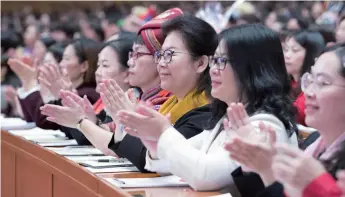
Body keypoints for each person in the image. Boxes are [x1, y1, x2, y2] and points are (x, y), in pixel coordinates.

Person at [117, 23, 298, 192]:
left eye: (222, 61)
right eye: (215, 60)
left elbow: (204, 176)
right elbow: (178, 162)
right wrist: (156, 142)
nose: (212, 70)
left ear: (252, 68)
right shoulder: (227, 117)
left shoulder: (266, 126)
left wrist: (164, 132)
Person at [39, 8, 183, 155]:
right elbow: (114, 139)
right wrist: (88, 121)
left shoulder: (170, 101)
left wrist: (82, 122)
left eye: (138, 54)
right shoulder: (136, 97)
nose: (130, 61)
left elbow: (136, 152)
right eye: (131, 54)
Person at [225, 46, 345, 197]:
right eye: (310, 80)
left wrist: (320, 188)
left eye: (322, 83)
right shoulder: (313, 144)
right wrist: (263, 168)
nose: (308, 92)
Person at [41, 36, 136, 145]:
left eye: (105, 65)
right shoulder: (102, 101)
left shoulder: (90, 94)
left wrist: (83, 120)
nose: (98, 72)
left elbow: (85, 139)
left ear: (127, 72)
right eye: (98, 65)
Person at [8, 38, 101, 131]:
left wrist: (30, 84)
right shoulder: (72, 89)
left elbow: (45, 122)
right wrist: (28, 83)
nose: (60, 64)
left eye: (66, 59)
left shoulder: (88, 95)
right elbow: (31, 118)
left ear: (84, 66)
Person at [283, 31, 325, 125]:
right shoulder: (287, 82)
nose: (287, 55)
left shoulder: (315, 88)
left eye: (295, 50)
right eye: (286, 49)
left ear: (311, 54)